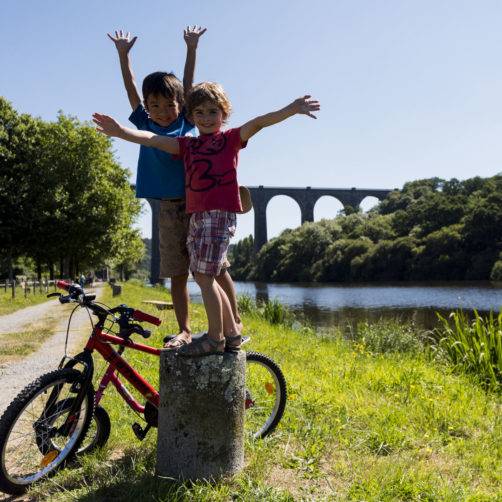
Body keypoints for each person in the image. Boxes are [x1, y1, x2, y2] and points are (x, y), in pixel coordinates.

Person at [92, 83, 320, 356]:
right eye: (199, 112)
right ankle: (232, 334)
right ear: (190, 116)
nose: (206, 118)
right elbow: (152, 139)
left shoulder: (230, 139)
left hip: (218, 214)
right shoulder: (188, 145)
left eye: (213, 112)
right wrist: (120, 132)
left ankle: (215, 338)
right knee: (205, 274)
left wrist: (292, 109)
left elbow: (259, 122)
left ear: (224, 114)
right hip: (198, 216)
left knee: (203, 274)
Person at [107, 28, 242, 349]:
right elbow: (131, 91)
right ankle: (184, 329)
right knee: (177, 270)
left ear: (180, 105)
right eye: (155, 106)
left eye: (169, 105)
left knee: (217, 268)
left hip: (202, 204)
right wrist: (123, 57)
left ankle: (234, 323)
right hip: (169, 206)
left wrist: (191, 48)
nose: (163, 111)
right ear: (147, 108)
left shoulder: (186, 121)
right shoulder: (145, 124)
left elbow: (188, 82)